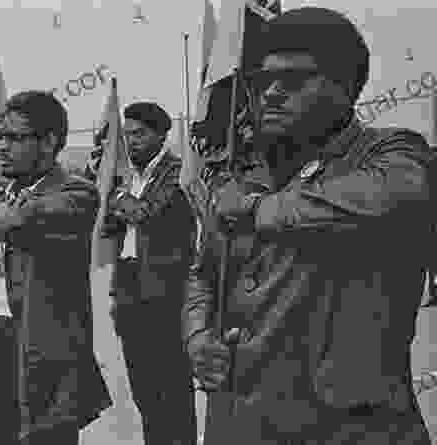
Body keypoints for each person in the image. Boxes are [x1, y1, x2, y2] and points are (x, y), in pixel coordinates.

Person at [184, 7, 435, 444]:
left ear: (345, 88)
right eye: (262, 83)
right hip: (237, 424)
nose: (271, 94)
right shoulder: (244, 173)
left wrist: (255, 209)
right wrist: (198, 337)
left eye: (295, 81)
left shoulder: (392, 155)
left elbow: (389, 199)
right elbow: (202, 275)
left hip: (350, 429)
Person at [0, 90, 112, 445]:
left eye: (16, 138)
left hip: (45, 357)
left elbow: (23, 218)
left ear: (49, 142)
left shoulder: (77, 194)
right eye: (1, 137)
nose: (3, 147)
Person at [102, 102, 198, 445]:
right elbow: (108, 229)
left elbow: (147, 212)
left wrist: (111, 194)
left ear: (161, 135)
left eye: (139, 134)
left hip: (165, 295)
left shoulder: (178, 172)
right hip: (130, 291)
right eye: (126, 134)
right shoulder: (130, 176)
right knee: (144, 392)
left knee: (172, 390)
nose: (131, 141)